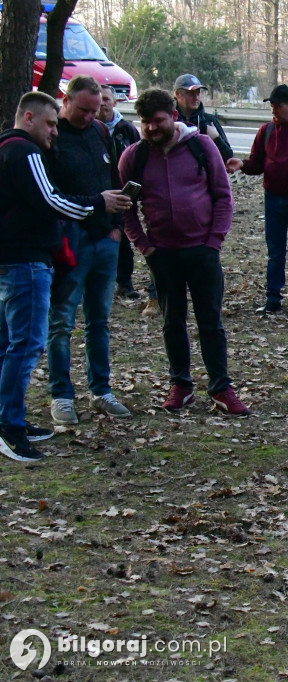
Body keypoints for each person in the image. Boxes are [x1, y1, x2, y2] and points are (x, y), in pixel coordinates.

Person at [0, 92, 130, 461]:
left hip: (16, 259)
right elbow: (52, 199)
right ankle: (10, 427)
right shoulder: (24, 152)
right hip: (25, 261)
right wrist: (98, 203)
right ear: (28, 118)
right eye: (50, 123)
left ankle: (11, 418)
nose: (54, 132)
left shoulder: (9, 149)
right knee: (26, 345)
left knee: (10, 343)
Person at [119, 88, 250, 416]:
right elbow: (125, 208)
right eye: (145, 122)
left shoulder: (201, 147)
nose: (150, 128)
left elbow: (223, 196)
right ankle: (181, 385)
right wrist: (145, 246)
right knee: (172, 321)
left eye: (157, 121)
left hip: (202, 251)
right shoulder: (134, 157)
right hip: (162, 253)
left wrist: (214, 241)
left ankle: (221, 388)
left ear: (173, 117)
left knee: (211, 321)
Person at [47, 75, 133, 425]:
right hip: (70, 242)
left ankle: (101, 390)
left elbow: (111, 179)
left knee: (99, 320)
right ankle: (61, 396)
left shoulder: (99, 132)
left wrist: (116, 227)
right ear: (66, 102)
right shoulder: (52, 139)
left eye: (95, 110)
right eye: (83, 110)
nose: (89, 116)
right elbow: (51, 196)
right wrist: (97, 204)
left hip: (104, 242)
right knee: (62, 322)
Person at [227, 84, 288, 319]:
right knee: (275, 252)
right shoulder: (266, 131)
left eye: (277, 106)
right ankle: (273, 299)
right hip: (272, 198)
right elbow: (257, 163)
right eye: (271, 106)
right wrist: (242, 164)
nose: (274, 111)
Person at [98, 84, 150, 307]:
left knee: (125, 238)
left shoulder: (126, 129)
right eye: (98, 99)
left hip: (124, 191)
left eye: (106, 99)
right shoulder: (91, 129)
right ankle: (100, 284)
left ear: (114, 101)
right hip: (99, 193)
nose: (102, 103)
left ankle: (125, 283)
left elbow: (140, 155)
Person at [173, 74, 232, 162]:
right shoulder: (170, 121)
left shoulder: (209, 121)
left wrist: (216, 138)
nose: (196, 97)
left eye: (198, 93)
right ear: (178, 94)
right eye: (191, 93)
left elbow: (228, 157)